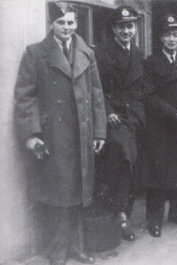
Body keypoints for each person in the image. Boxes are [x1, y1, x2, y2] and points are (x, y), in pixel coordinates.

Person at [14, 1, 107, 265]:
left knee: (79, 191)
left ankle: (76, 249)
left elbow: (97, 94)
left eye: (71, 22)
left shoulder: (87, 53)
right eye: (61, 23)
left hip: (82, 132)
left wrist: (99, 131)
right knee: (58, 194)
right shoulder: (35, 53)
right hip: (54, 134)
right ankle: (57, 252)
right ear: (51, 24)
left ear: (76, 23)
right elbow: (25, 97)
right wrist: (31, 134)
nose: (67, 27)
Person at [94, 5, 147, 242]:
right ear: (114, 28)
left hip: (135, 117)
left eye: (130, 26)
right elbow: (96, 89)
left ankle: (125, 212)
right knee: (121, 163)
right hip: (114, 117)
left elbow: (140, 88)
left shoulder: (137, 53)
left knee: (134, 167)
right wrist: (107, 112)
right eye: (122, 26)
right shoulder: (102, 52)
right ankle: (120, 217)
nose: (127, 31)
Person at [141, 14, 177, 237]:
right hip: (160, 126)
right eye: (167, 35)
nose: (171, 39)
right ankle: (154, 220)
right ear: (161, 38)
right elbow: (149, 95)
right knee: (157, 174)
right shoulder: (150, 63)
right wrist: (173, 114)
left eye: (175, 35)